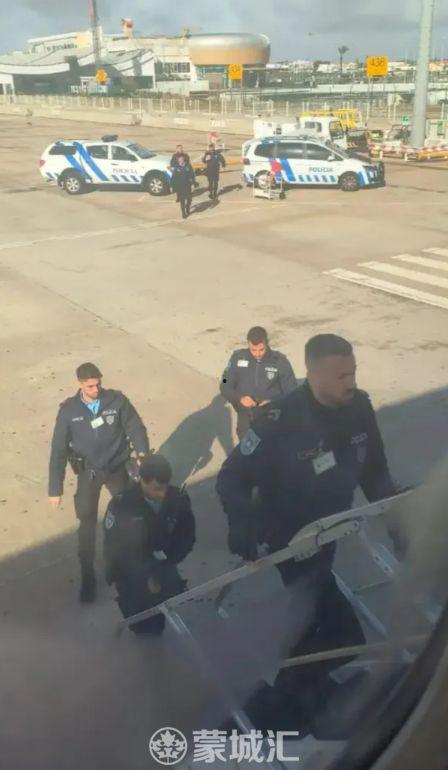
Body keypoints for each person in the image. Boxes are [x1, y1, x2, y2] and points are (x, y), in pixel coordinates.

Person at [216, 334, 400, 732]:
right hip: (293, 540)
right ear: (313, 375)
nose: (351, 382)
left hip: (331, 529)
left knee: (315, 628)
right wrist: (241, 523)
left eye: (353, 372)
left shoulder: (359, 408)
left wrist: (399, 527)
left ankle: (299, 696)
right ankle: (271, 712)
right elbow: (231, 478)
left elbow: (376, 473)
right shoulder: (278, 421)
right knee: (342, 633)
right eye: (341, 376)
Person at [48, 363, 149, 603]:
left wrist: (142, 452)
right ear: (80, 384)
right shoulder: (69, 411)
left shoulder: (116, 401)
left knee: (127, 518)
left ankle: (124, 565)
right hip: (89, 473)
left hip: (117, 468)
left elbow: (135, 426)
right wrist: (55, 488)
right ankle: (88, 576)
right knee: (87, 526)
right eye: (91, 386)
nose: (96, 389)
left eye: (98, 384)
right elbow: (58, 450)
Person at [103, 454, 196, 635]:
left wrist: (168, 561)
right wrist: (145, 575)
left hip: (164, 560)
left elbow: (186, 535)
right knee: (141, 622)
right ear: (142, 482)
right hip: (131, 568)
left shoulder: (178, 499)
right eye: (156, 489)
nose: (162, 494)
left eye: (165, 487)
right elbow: (115, 548)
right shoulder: (122, 506)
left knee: (160, 616)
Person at [220, 326, 297, 440]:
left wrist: (271, 402)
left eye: (261, 349)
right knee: (247, 449)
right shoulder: (237, 358)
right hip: (246, 417)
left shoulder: (280, 361)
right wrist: (240, 398)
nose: (257, 354)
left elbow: (292, 392)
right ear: (248, 344)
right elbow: (225, 385)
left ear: (267, 343)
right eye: (253, 350)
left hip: (272, 417)